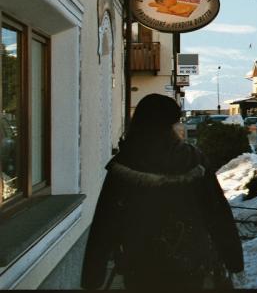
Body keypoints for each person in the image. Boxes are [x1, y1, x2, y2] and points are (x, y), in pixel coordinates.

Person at [81, 94, 243, 290]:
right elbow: (217, 212)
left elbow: (104, 222)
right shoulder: (194, 160)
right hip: (190, 263)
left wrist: (92, 276)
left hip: (140, 267)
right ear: (170, 125)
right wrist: (233, 259)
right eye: (177, 122)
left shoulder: (124, 163)